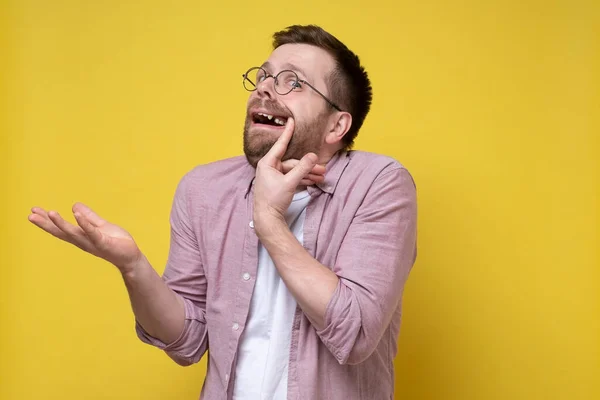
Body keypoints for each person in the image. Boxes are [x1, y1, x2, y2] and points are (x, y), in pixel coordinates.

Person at [28, 24, 418, 400]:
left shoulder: (378, 184)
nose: (265, 87)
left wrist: (268, 221)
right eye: (264, 76)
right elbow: (187, 341)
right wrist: (133, 267)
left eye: (293, 82)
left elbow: (356, 332)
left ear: (337, 125)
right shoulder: (204, 190)